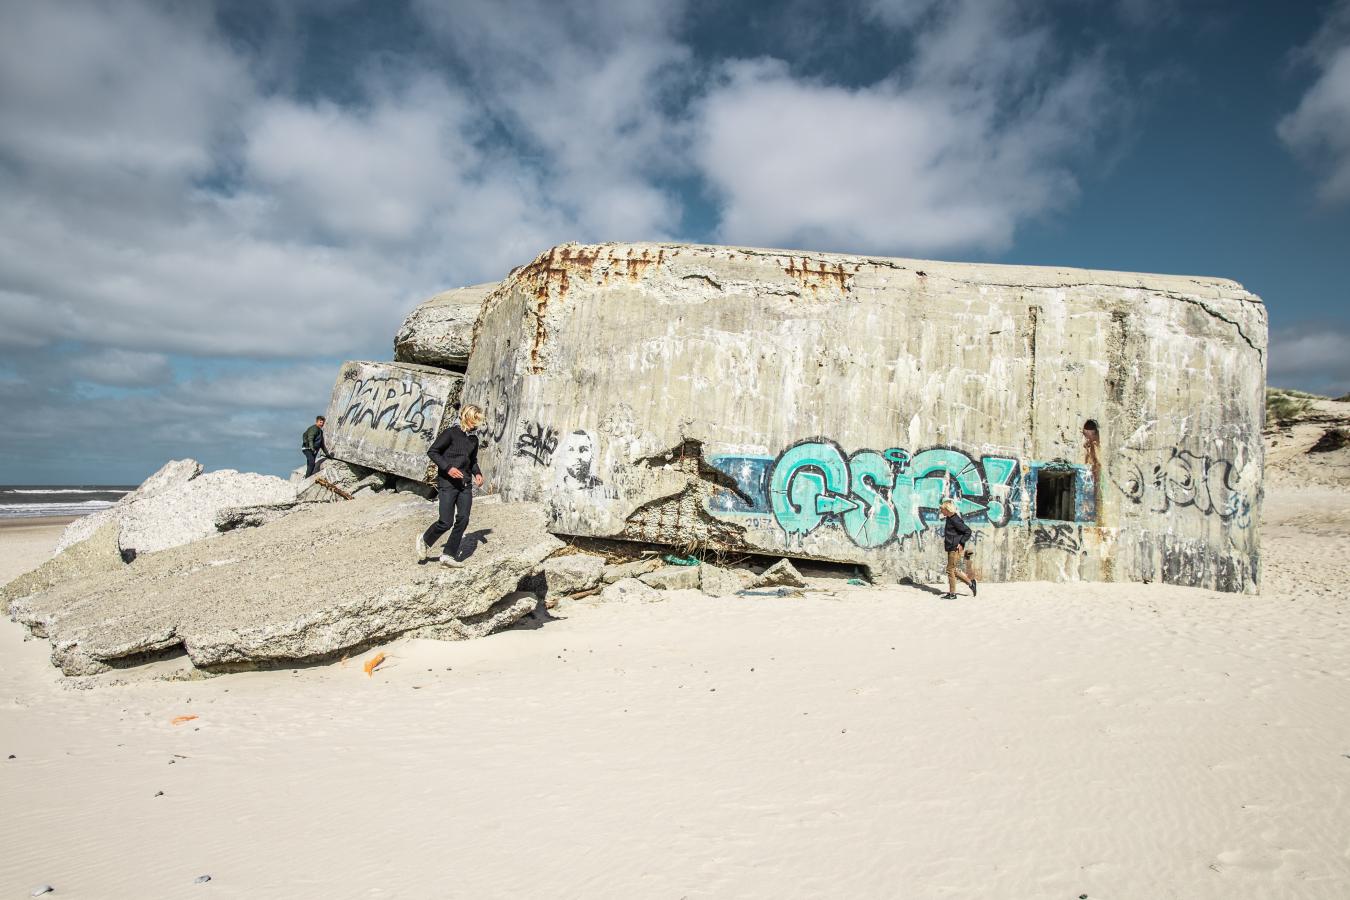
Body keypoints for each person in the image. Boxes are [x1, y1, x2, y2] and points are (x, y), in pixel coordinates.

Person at [416, 404, 485, 567]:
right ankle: (425, 540)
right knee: (445, 522)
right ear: (467, 417)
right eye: (475, 420)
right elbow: (433, 452)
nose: (476, 424)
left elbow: (472, 460)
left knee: (463, 518)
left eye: (478, 421)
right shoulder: (450, 433)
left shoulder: (473, 439)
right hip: (447, 483)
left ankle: (448, 555)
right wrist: (448, 468)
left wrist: (478, 473)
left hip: (465, 484)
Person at [938, 499, 977, 599]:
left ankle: (952, 594)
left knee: (949, 570)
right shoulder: (950, 518)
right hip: (951, 547)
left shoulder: (955, 520)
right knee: (952, 570)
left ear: (947, 510)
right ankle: (970, 583)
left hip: (954, 548)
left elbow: (968, 531)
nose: (941, 511)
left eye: (942, 509)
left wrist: (961, 542)